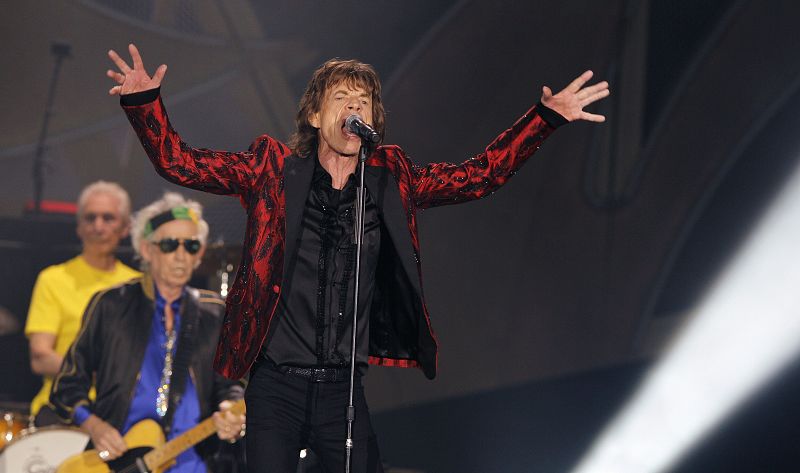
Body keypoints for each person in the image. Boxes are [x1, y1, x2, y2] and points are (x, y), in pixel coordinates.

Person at [106, 43, 610, 472]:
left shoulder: (391, 179)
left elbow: (480, 176)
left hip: (343, 387)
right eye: (341, 98)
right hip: (276, 383)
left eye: (363, 101)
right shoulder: (272, 170)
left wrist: (544, 119)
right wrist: (144, 104)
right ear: (313, 115)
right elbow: (182, 163)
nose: (354, 108)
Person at [50, 192, 246, 471]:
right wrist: (95, 426)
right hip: (121, 460)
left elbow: (231, 384)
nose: (180, 256)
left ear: (200, 253)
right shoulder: (111, 304)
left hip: (195, 461)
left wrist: (231, 410)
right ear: (146, 249)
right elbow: (67, 385)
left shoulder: (215, 312)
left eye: (191, 246)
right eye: (168, 245)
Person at [25, 180, 140, 425]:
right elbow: (40, 357)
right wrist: (100, 375)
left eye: (108, 218)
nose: (98, 226)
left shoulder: (138, 285)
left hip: (122, 411)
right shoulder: (53, 279)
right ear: (79, 227)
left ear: (126, 227)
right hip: (61, 408)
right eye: (90, 218)